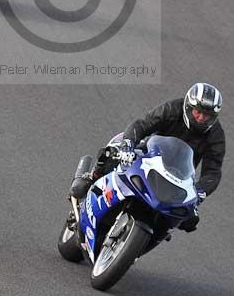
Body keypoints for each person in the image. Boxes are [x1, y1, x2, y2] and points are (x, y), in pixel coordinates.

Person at [70, 83, 225, 233]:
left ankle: (148, 239)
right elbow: (143, 124)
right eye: (198, 111)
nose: (201, 117)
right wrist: (128, 145)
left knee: (185, 218)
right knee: (114, 152)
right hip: (149, 155)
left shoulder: (215, 135)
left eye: (207, 115)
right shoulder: (173, 109)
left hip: (177, 176)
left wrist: (200, 191)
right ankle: (90, 179)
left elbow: (213, 171)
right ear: (188, 107)